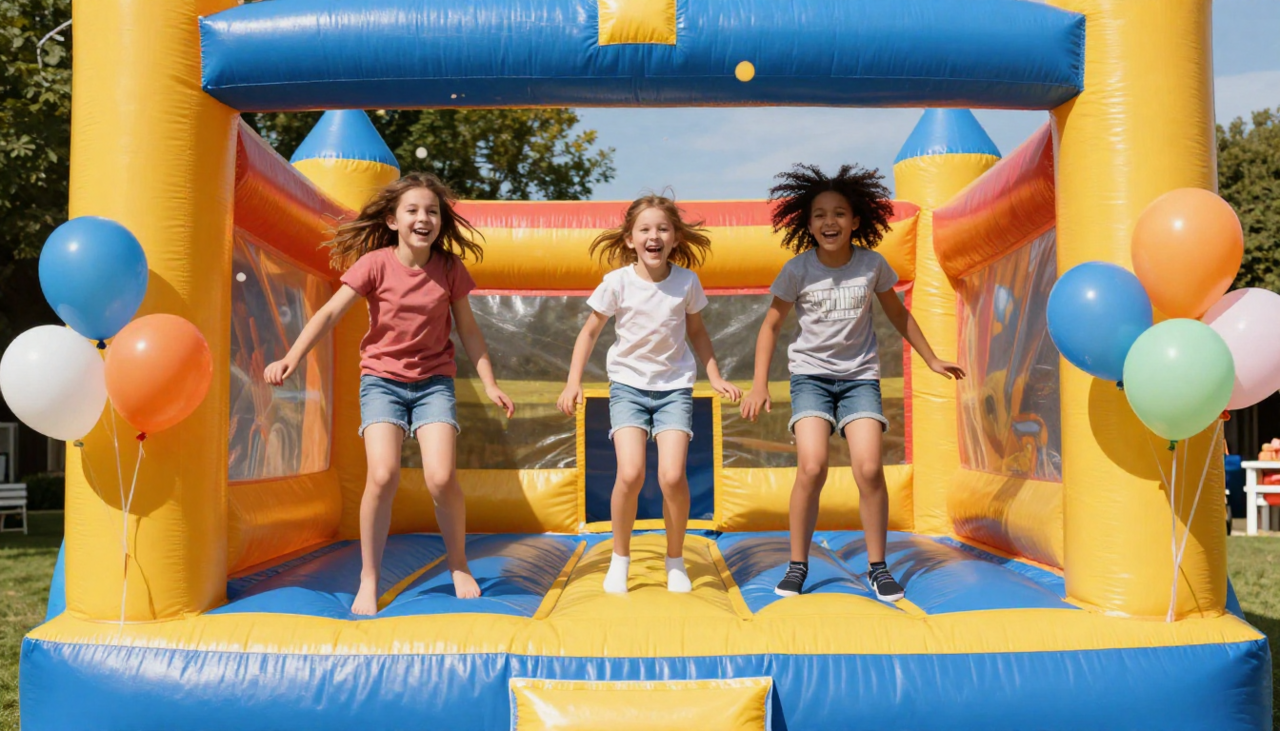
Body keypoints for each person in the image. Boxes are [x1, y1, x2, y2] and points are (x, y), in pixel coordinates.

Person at [264, 172, 514, 615]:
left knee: (441, 477)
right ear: (393, 220)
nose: (424, 218)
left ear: (441, 221)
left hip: (433, 382)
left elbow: (470, 331)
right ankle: (369, 576)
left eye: (433, 211)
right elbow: (329, 313)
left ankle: (458, 564)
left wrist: (489, 382)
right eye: (413, 210)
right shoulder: (376, 264)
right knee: (382, 475)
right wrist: (291, 357)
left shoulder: (450, 269)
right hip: (382, 381)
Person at [739, 164, 965, 601]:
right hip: (811, 378)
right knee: (812, 465)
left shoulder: (871, 265)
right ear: (807, 223)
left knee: (867, 468)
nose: (830, 222)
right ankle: (798, 564)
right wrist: (759, 384)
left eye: (839, 213)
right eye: (820, 214)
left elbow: (897, 314)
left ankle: (878, 568)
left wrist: (932, 357)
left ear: (856, 219)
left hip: (859, 378)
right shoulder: (798, 270)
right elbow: (769, 327)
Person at [556, 194, 741, 594]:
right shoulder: (617, 283)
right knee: (631, 472)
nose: (653, 236)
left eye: (662, 229)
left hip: (674, 388)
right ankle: (620, 558)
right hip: (628, 386)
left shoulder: (686, 282)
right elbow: (589, 332)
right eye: (645, 229)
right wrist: (573, 381)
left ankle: (675, 560)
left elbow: (697, 333)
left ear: (675, 238)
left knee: (673, 476)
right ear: (629, 239)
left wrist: (715, 377)